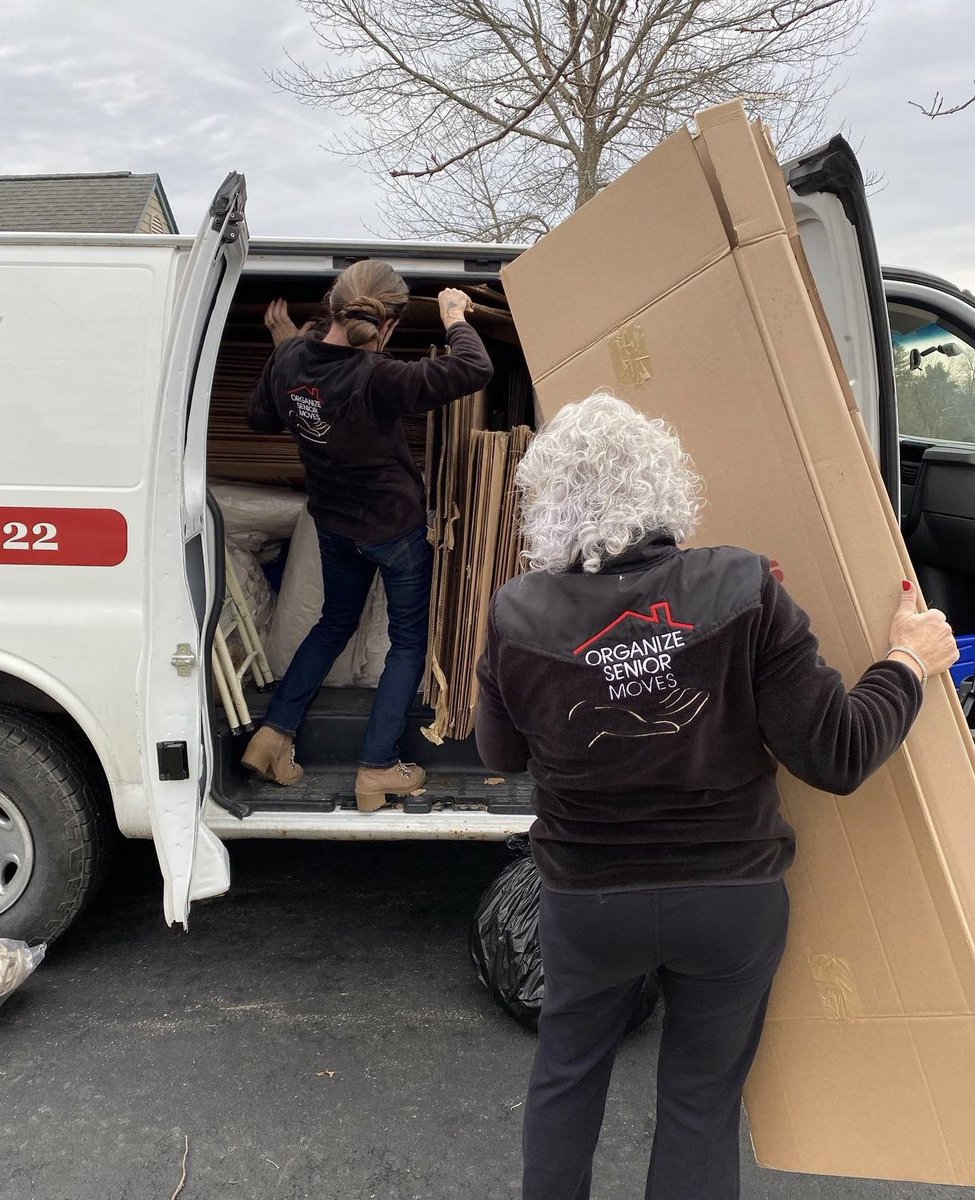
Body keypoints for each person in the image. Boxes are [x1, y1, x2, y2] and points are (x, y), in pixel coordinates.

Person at [474, 392, 957, 1200]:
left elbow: (498, 752)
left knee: (566, 1075)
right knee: (699, 1103)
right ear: (666, 486)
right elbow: (835, 755)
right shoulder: (743, 585)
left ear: (548, 505)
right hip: (727, 896)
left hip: (588, 899)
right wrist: (905, 663)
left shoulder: (517, 612)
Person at [241, 260, 493, 810]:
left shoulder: (289, 357)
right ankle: (377, 768)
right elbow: (474, 368)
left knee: (334, 623)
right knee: (407, 643)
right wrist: (453, 316)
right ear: (390, 326)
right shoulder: (381, 377)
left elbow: (260, 417)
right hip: (393, 532)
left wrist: (288, 355)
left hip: (334, 524)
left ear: (333, 304)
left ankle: (273, 734)